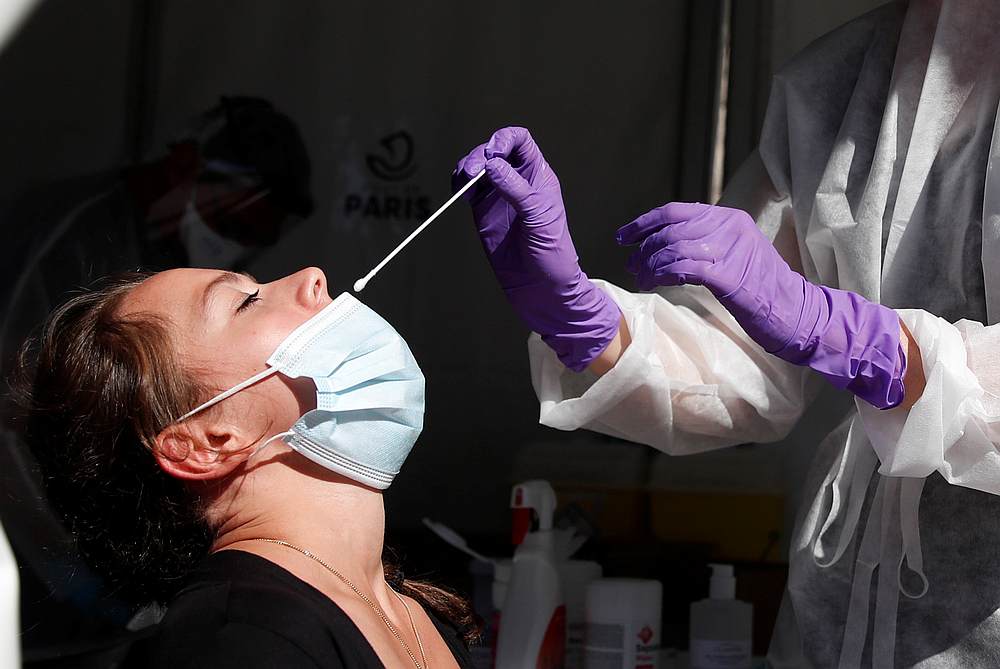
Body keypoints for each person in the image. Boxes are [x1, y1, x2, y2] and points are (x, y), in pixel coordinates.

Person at [454, 2, 1000, 666]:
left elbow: (812, 321)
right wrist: (582, 318)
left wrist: (874, 346)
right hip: (830, 631)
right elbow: (746, 355)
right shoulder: (841, 78)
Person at [12, 266, 475, 667]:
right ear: (205, 444)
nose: (312, 276)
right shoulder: (245, 639)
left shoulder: (413, 612)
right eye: (245, 301)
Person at [0, 95, 314, 656]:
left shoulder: (166, 241)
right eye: (232, 220)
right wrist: (72, 577)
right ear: (181, 166)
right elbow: (9, 429)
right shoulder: (66, 241)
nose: (309, 281)